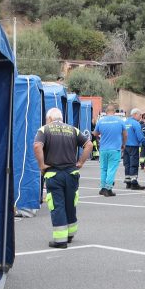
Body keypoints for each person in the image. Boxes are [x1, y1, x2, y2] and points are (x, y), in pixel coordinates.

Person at [34, 107, 92, 249]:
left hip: (54, 173)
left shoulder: (44, 130)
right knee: (70, 203)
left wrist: (42, 165)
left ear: (49, 119)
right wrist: (81, 162)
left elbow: (37, 146)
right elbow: (89, 144)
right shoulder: (73, 129)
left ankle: (60, 240)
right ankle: (70, 234)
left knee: (57, 205)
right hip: (71, 173)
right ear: (61, 118)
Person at [93, 104, 125, 197]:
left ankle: (102, 188)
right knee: (111, 169)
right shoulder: (120, 121)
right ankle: (108, 188)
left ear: (106, 112)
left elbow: (95, 133)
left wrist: (100, 137)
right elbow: (125, 134)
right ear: (114, 112)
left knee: (104, 169)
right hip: (115, 149)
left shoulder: (101, 121)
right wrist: (123, 144)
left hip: (103, 149)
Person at [122, 107, 145, 190]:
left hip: (125, 146)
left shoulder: (125, 122)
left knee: (127, 164)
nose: (141, 116)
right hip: (133, 146)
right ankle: (134, 183)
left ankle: (128, 182)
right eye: (140, 115)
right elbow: (140, 136)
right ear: (135, 114)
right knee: (134, 164)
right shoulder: (136, 123)